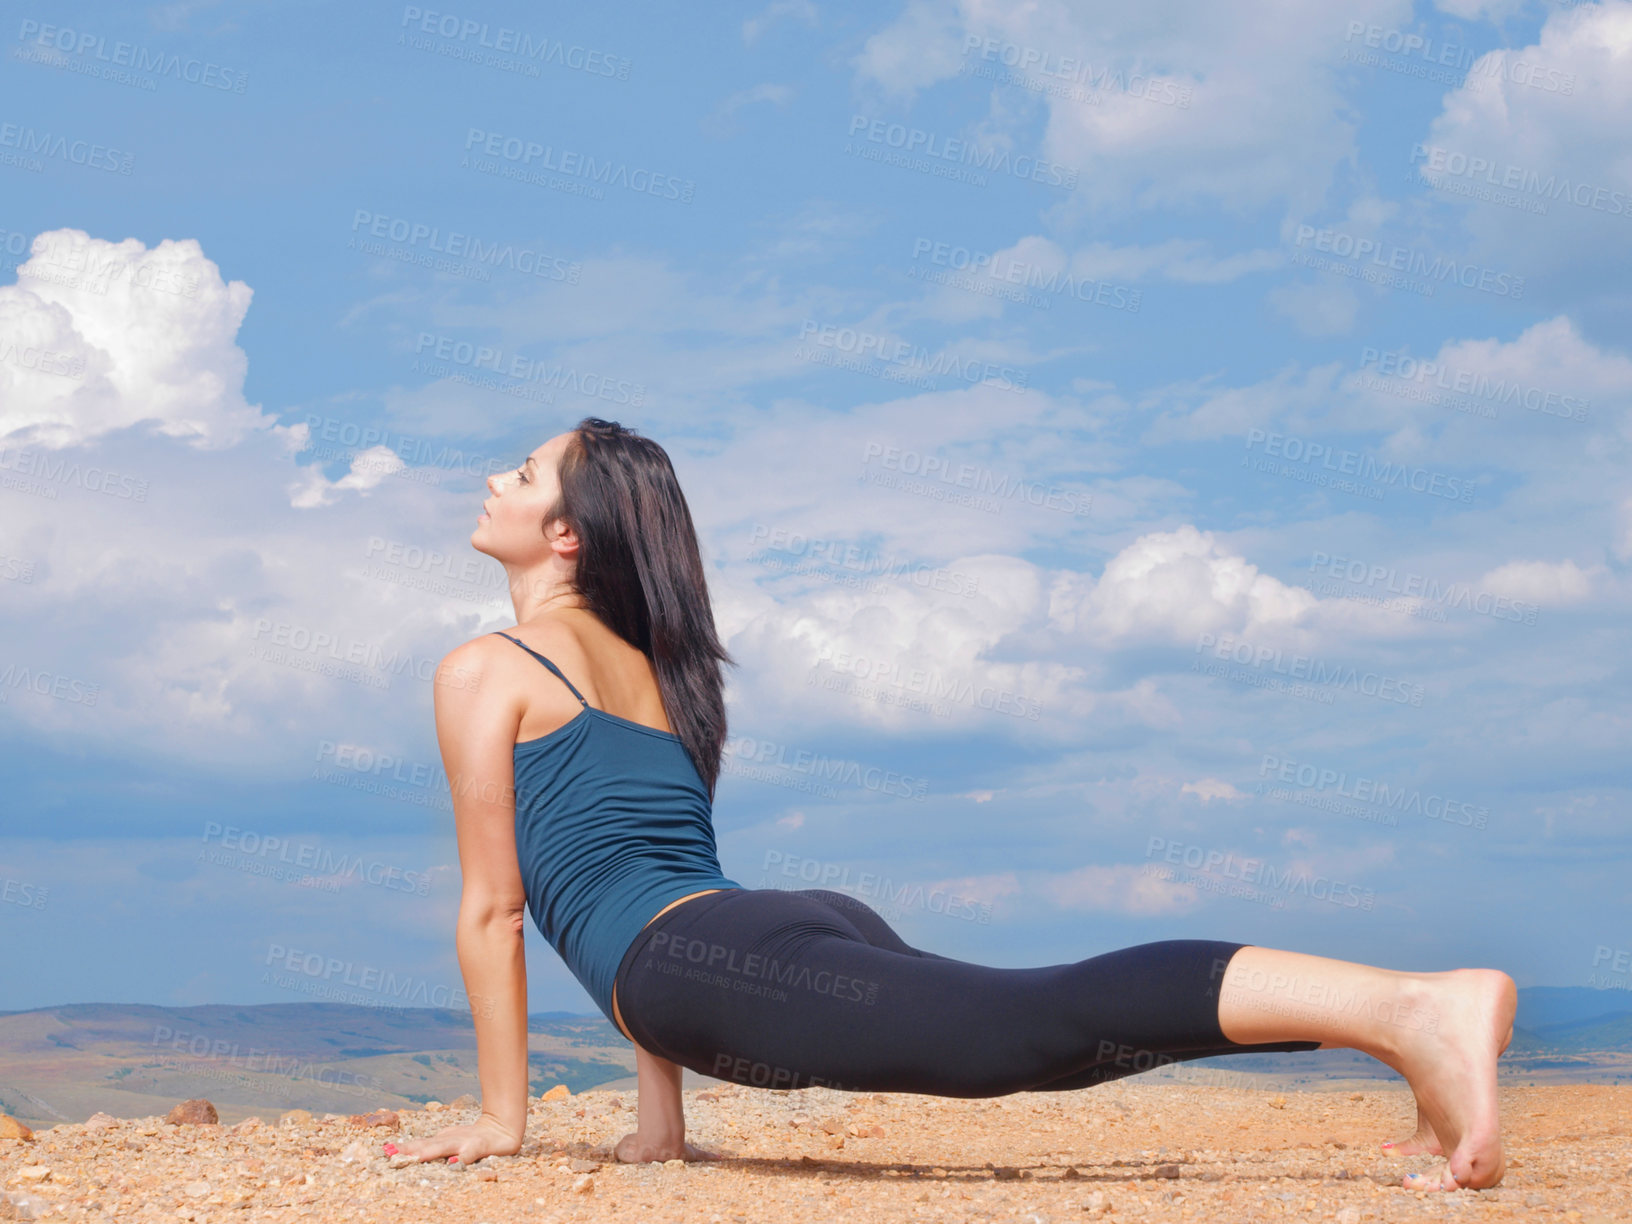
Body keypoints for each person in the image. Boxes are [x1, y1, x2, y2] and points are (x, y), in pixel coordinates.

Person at [387, 418, 1515, 1191]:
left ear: (568, 533)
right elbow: (668, 878)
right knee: (1030, 1032)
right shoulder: (654, 662)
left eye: (522, 474)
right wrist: (663, 1122)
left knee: (1017, 1027)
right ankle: (1403, 1039)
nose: (495, 480)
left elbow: (499, 911)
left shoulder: (486, 670)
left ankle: (1417, 1009)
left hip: (705, 956)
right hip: (752, 930)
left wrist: (503, 1120)